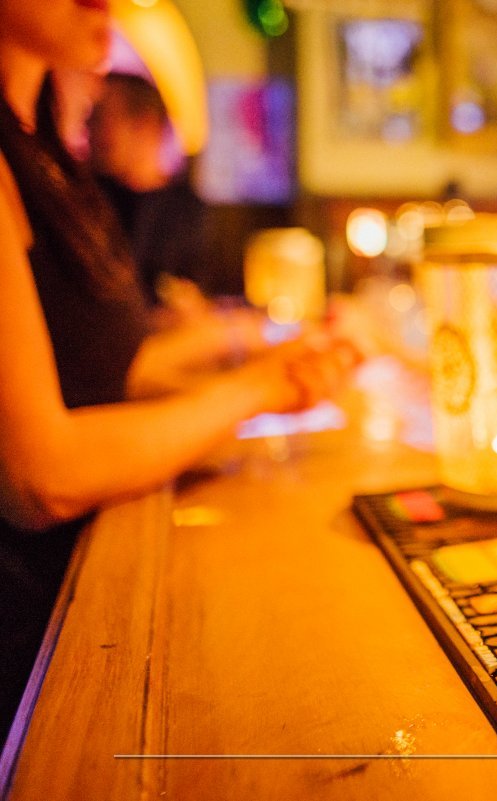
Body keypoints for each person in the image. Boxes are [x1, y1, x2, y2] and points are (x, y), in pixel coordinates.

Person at [0, 1, 358, 741]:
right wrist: (256, 387)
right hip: (34, 650)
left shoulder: (42, 145)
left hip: (92, 579)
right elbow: (42, 475)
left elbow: (111, 368)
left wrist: (264, 360)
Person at [87, 71, 213, 306]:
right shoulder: (87, 195)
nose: (88, 128)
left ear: (144, 124)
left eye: (99, 117)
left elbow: (195, 291)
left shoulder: (187, 208)